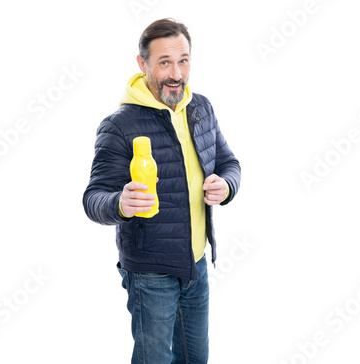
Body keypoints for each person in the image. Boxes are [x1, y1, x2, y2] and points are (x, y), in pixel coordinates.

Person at [82, 18, 241, 364]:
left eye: (183, 60)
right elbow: (93, 199)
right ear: (143, 64)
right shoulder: (119, 125)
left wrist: (225, 186)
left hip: (195, 267)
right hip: (150, 274)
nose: (176, 74)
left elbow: (230, 164)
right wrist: (120, 203)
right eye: (164, 62)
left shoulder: (201, 109)